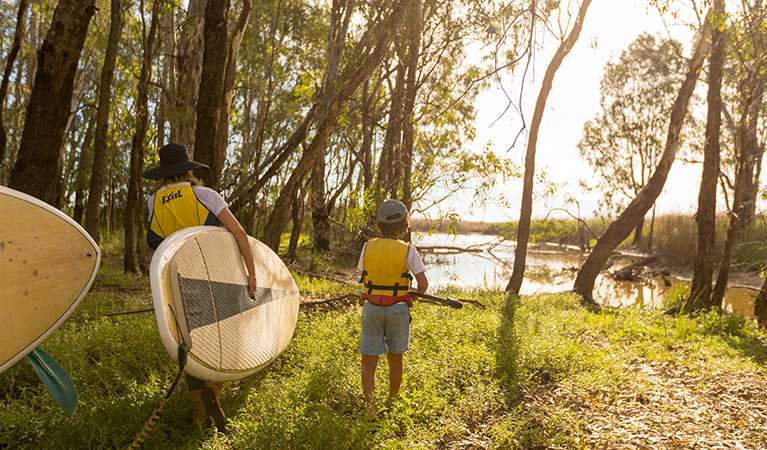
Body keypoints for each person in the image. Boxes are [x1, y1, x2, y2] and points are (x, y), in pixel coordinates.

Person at [141, 143, 257, 433]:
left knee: (189, 346)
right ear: (189, 169)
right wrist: (251, 273)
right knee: (224, 340)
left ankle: (197, 413)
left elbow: (160, 245)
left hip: (177, 283)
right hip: (215, 278)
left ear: (163, 174)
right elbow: (239, 233)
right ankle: (214, 396)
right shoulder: (205, 195)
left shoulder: (153, 201)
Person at [357, 199, 428, 419]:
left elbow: (362, 274)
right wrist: (411, 293)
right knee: (395, 357)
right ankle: (392, 402)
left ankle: (371, 408)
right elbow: (423, 285)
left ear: (378, 223)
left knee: (369, 359)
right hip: (398, 310)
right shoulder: (409, 250)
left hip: (372, 308)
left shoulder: (368, 246)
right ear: (405, 225)